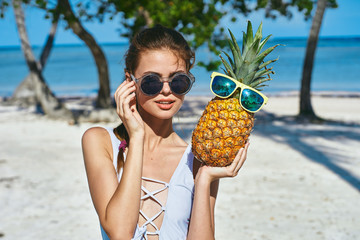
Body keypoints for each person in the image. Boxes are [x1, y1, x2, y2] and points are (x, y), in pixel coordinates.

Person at [82, 24, 249, 240]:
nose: (167, 90)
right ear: (129, 81)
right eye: (152, 81)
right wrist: (138, 136)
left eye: (178, 80)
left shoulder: (198, 159)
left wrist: (205, 178)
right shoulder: (100, 141)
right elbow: (120, 232)